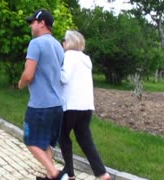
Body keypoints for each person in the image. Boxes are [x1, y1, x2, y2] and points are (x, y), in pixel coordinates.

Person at [18, 9, 68, 180]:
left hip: (40, 106)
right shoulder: (58, 47)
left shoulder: (36, 43)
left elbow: (29, 74)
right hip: (57, 105)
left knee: (30, 141)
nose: (31, 25)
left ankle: (55, 174)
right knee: (46, 143)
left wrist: (21, 83)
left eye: (33, 22)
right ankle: (49, 176)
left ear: (42, 23)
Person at [59, 30, 111, 180]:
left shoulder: (68, 56)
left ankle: (70, 174)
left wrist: (53, 71)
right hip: (87, 106)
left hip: (70, 105)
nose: (62, 42)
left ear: (69, 42)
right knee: (84, 138)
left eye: (64, 40)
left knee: (63, 136)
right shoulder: (86, 59)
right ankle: (102, 173)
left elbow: (64, 78)